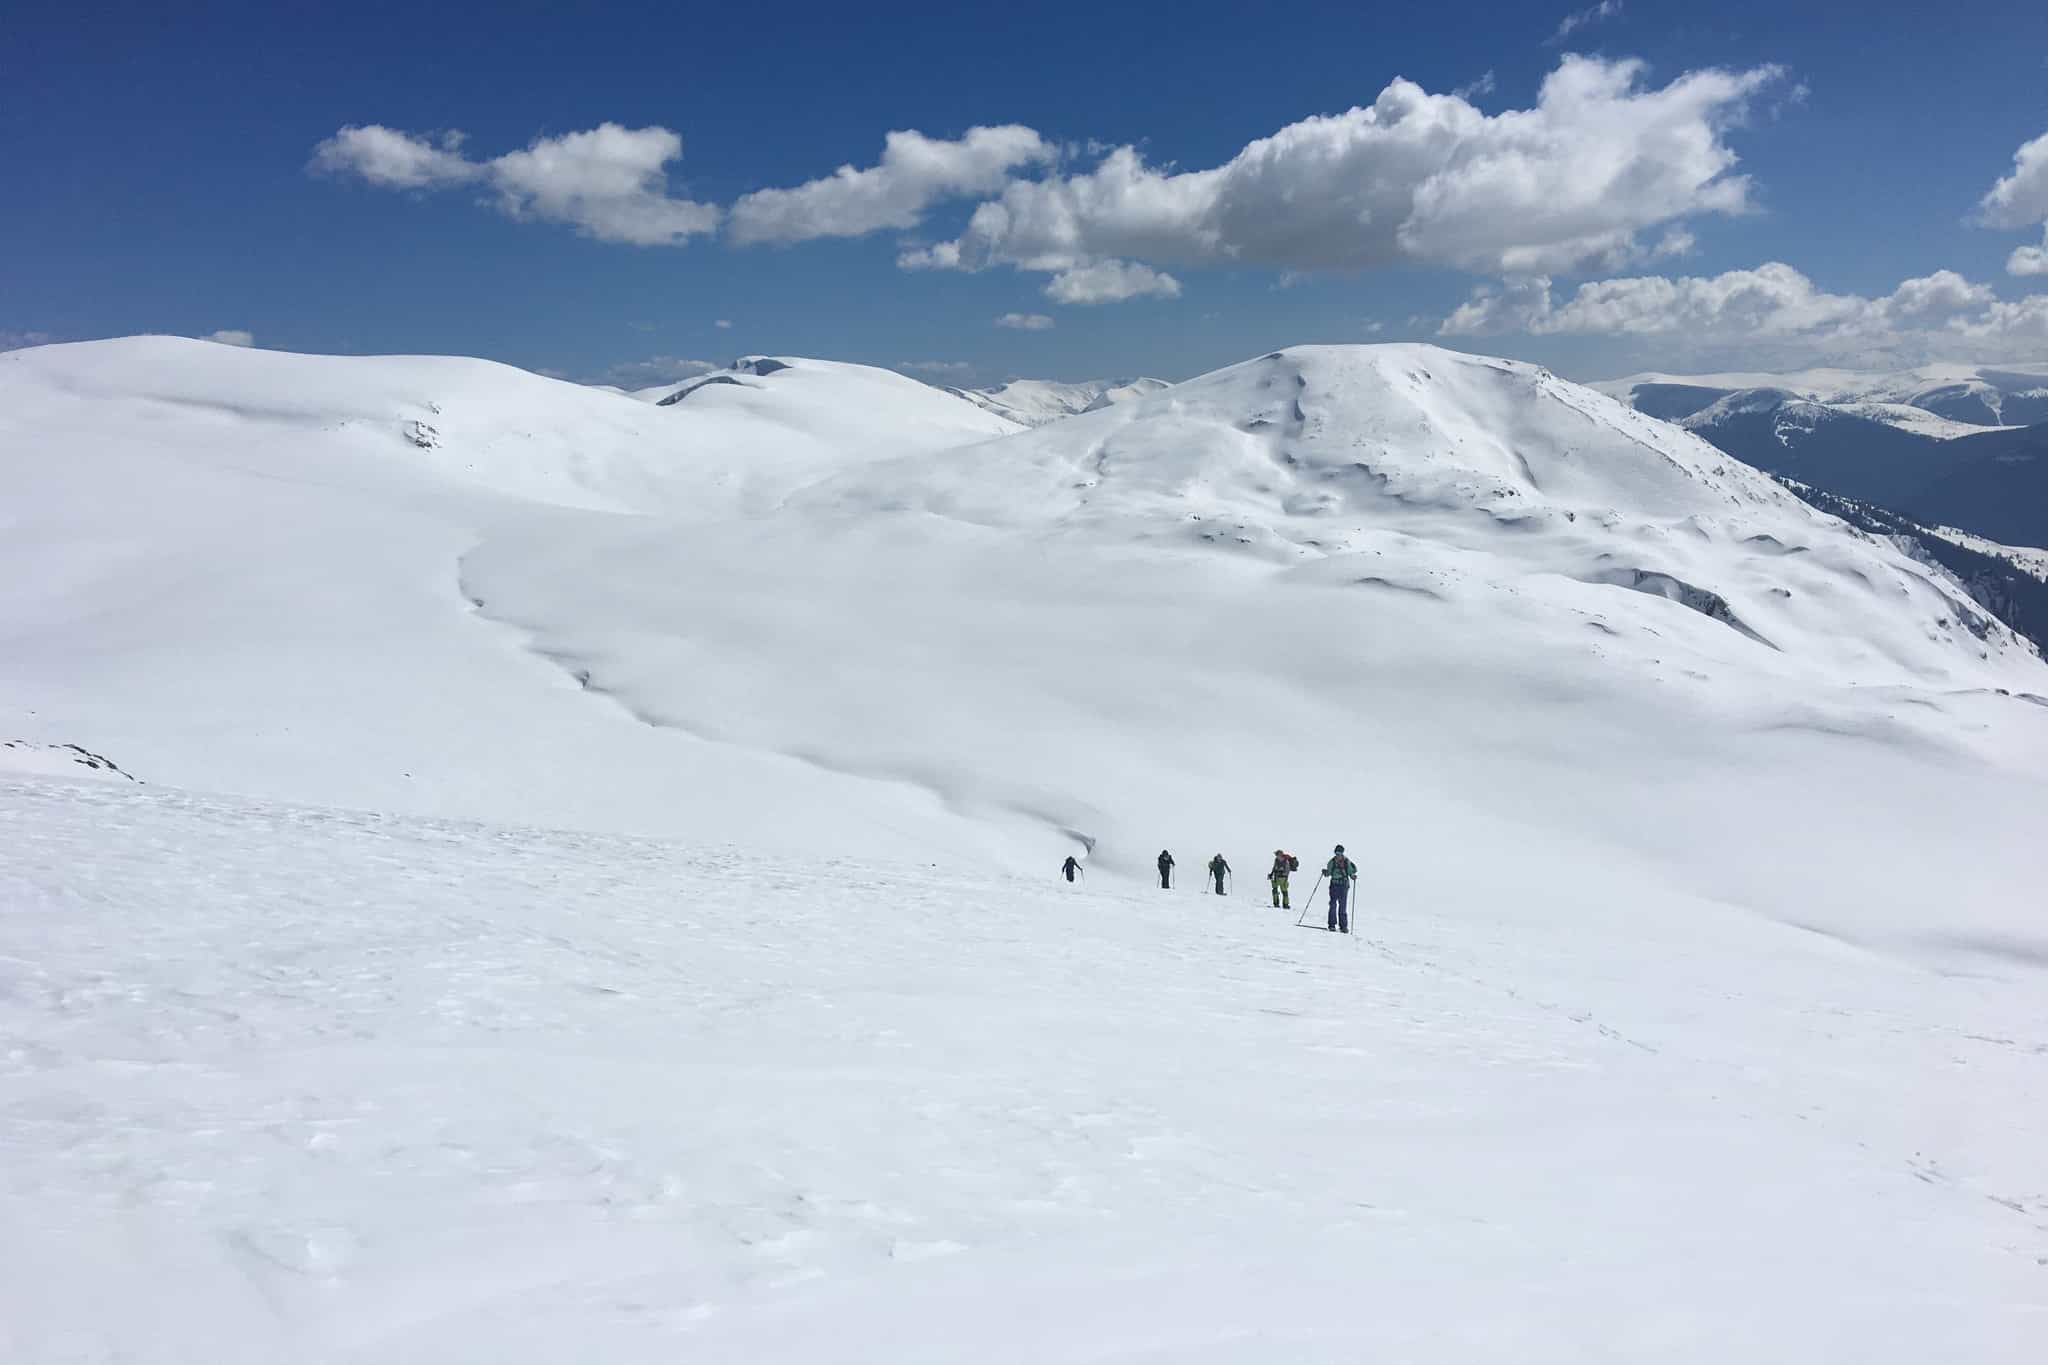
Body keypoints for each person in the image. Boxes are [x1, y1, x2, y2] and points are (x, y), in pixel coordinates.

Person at [1325, 844, 1359, 933]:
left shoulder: (1346, 862)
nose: (1338, 855)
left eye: (1339, 853)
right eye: (1337, 853)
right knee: (1333, 904)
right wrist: (1325, 872)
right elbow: (1329, 873)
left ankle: (1343, 926)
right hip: (1334, 885)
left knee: (1342, 906)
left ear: (1342, 853)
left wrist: (1353, 876)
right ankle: (1332, 925)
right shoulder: (1332, 862)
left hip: (1343, 885)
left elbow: (1350, 872)